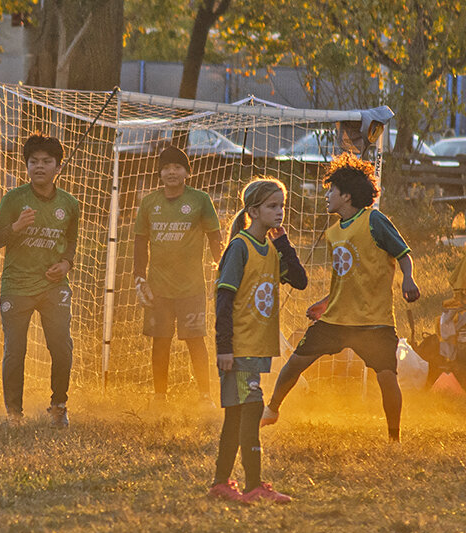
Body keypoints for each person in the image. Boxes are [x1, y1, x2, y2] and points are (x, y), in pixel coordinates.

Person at [261, 153, 420, 441]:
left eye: (331, 191)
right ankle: (271, 410)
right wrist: (325, 302)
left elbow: (403, 253)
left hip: (373, 320)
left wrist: (408, 277)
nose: (326, 196)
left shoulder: (374, 220)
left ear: (346, 196)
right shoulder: (334, 232)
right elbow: (344, 278)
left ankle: (394, 438)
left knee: (386, 377)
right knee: (296, 361)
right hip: (336, 319)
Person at [209, 178, 307, 504]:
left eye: (281, 206)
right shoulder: (240, 247)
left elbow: (300, 281)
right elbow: (223, 299)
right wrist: (224, 348)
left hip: (256, 349)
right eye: (271, 207)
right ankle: (253, 486)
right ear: (253, 210)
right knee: (251, 411)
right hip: (240, 349)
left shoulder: (270, 248)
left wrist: (285, 244)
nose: (279, 212)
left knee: (236, 417)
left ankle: (220, 484)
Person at [0, 133, 80, 428]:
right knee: (16, 350)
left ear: (58, 167)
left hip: (53, 287)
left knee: (62, 347)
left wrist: (65, 264)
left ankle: (58, 406)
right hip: (17, 286)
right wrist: (15, 226)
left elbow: (72, 243)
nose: (39, 167)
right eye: (33, 162)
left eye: (46, 162)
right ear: (26, 166)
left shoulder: (70, 204)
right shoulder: (14, 199)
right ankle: (14, 414)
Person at [132, 146, 222, 405]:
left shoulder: (200, 200)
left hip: (191, 287)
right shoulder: (150, 202)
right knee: (160, 342)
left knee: (195, 340)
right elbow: (140, 241)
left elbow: (214, 237)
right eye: (166, 168)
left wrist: (222, 268)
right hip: (157, 288)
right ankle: (160, 396)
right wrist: (139, 277)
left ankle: (205, 396)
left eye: (177, 167)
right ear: (160, 173)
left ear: (186, 172)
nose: (172, 172)